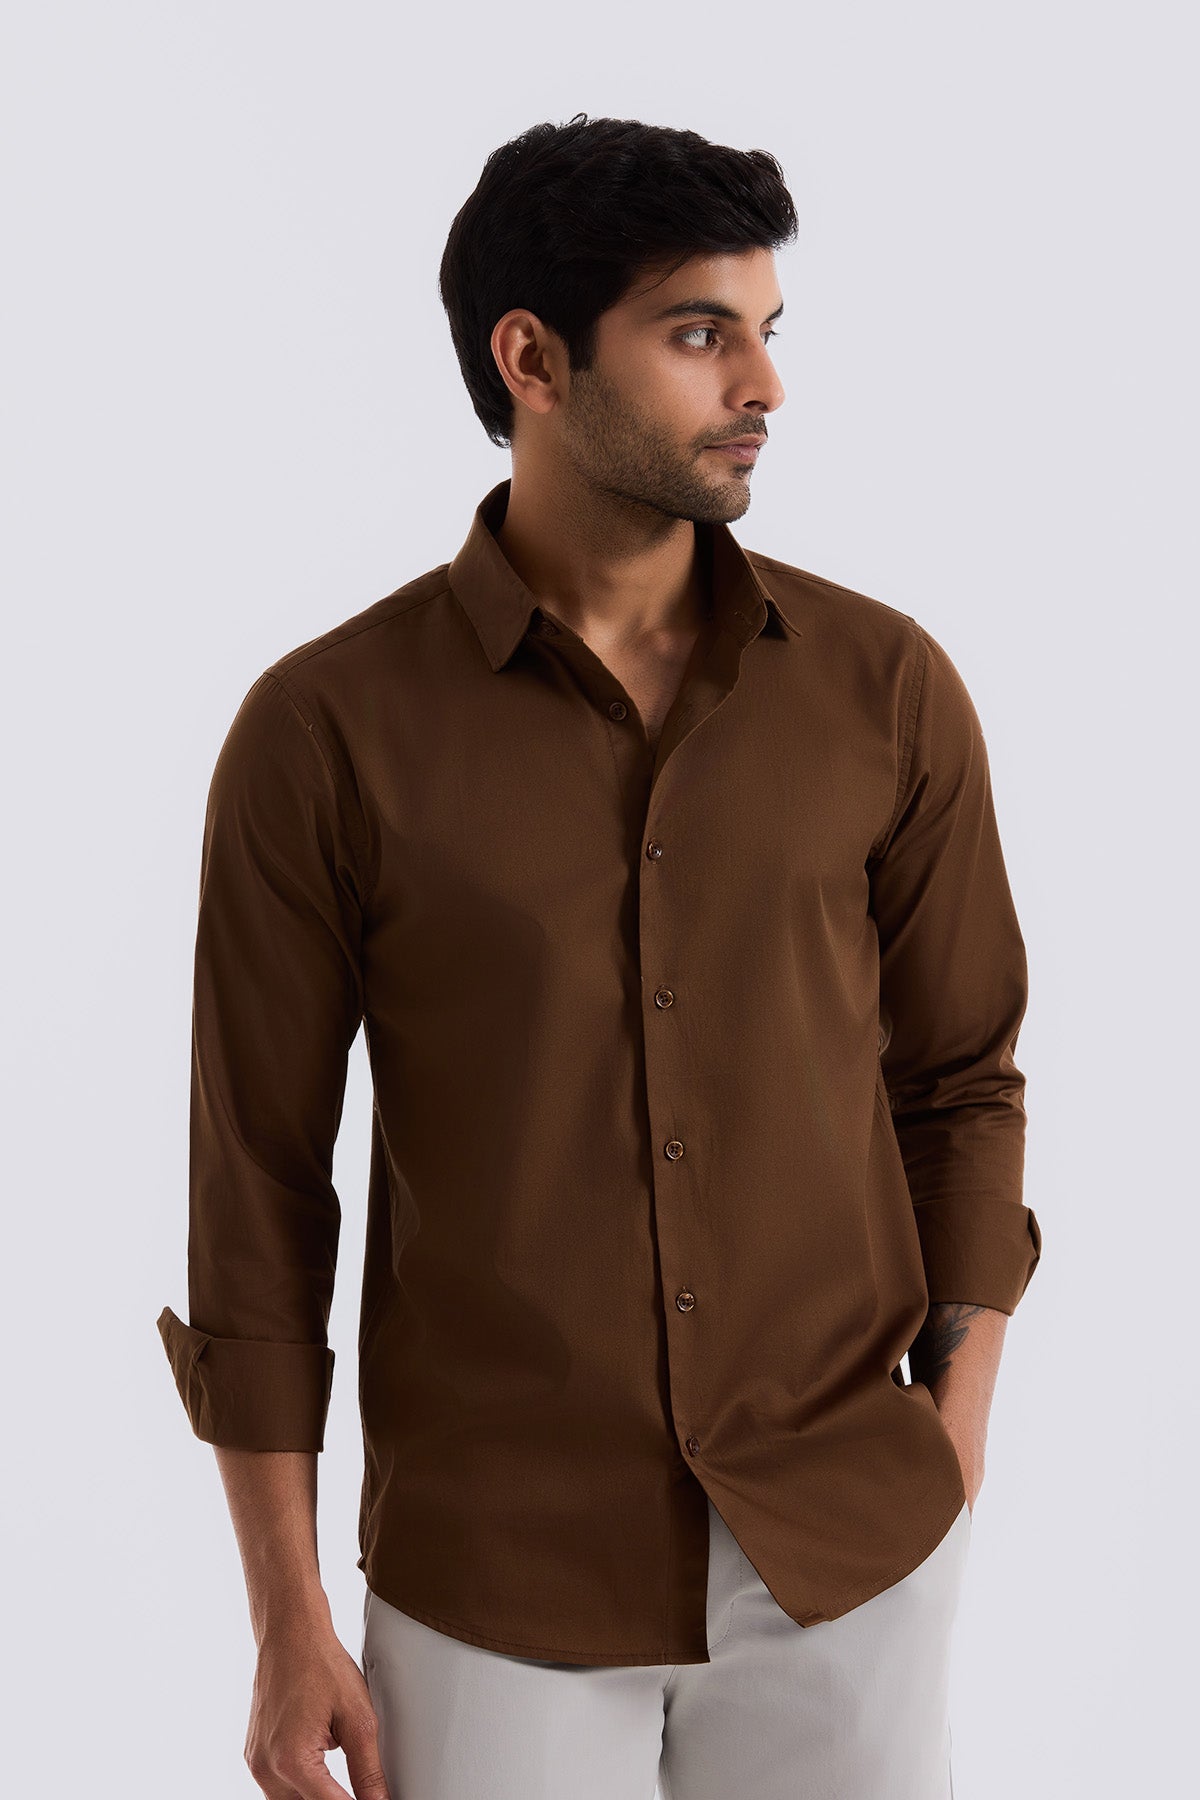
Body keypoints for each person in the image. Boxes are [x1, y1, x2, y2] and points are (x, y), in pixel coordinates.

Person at [157, 113, 1042, 1800]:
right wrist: (285, 1615)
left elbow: (960, 1082)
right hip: (494, 1581)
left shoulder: (885, 689)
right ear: (533, 359)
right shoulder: (325, 731)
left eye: (767, 330)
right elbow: (256, 1189)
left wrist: (957, 1424)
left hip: (846, 1549)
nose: (763, 385)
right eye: (702, 334)